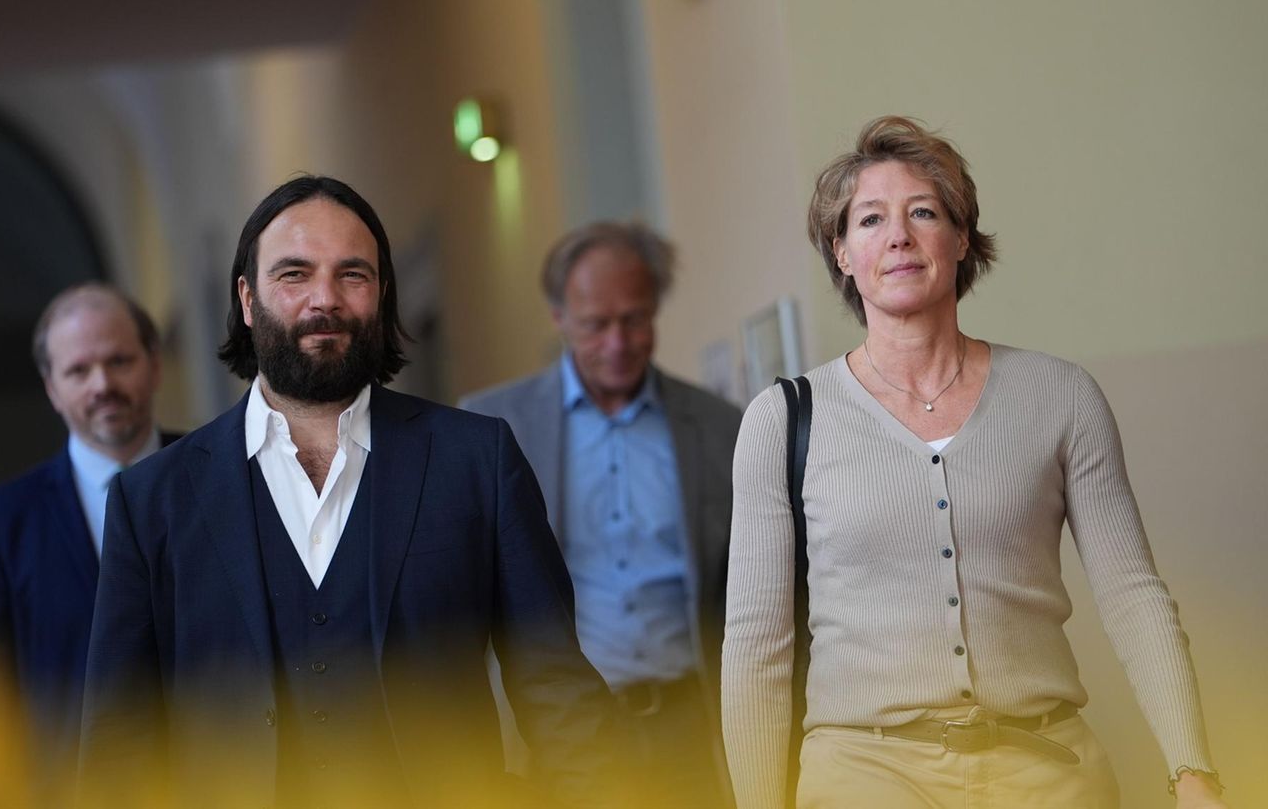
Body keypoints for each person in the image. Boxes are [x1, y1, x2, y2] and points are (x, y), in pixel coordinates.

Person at [722, 116, 1227, 809]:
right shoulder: (780, 421)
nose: (898, 236)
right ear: (842, 254)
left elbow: (1132, 595)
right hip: (863, 776)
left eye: (923, 212)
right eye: (870, 219)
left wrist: (1193, 772)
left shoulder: (1061, 395)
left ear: (961, 239)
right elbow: (756, 645)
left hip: (1049, 772)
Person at [78, 175, 617, 809]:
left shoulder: (476, 460)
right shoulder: (151, 500)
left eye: (353, 275)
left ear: (382, 295)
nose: (324, 300)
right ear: (247, 299)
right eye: (294, 274)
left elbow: (558, 694)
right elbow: (118, 744)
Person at [462, 221, 740, 808]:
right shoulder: (490, 428)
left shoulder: (719, 427)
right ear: (559, 317)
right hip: (562, 735)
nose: (617, 342)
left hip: (690, 730)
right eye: (596, 325)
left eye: (634, 320)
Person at [0, 283, 167, 790]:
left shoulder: (230, 477)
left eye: (119, 361)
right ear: (52, 388)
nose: (102, 384)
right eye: (78, 371)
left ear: (154, 364)